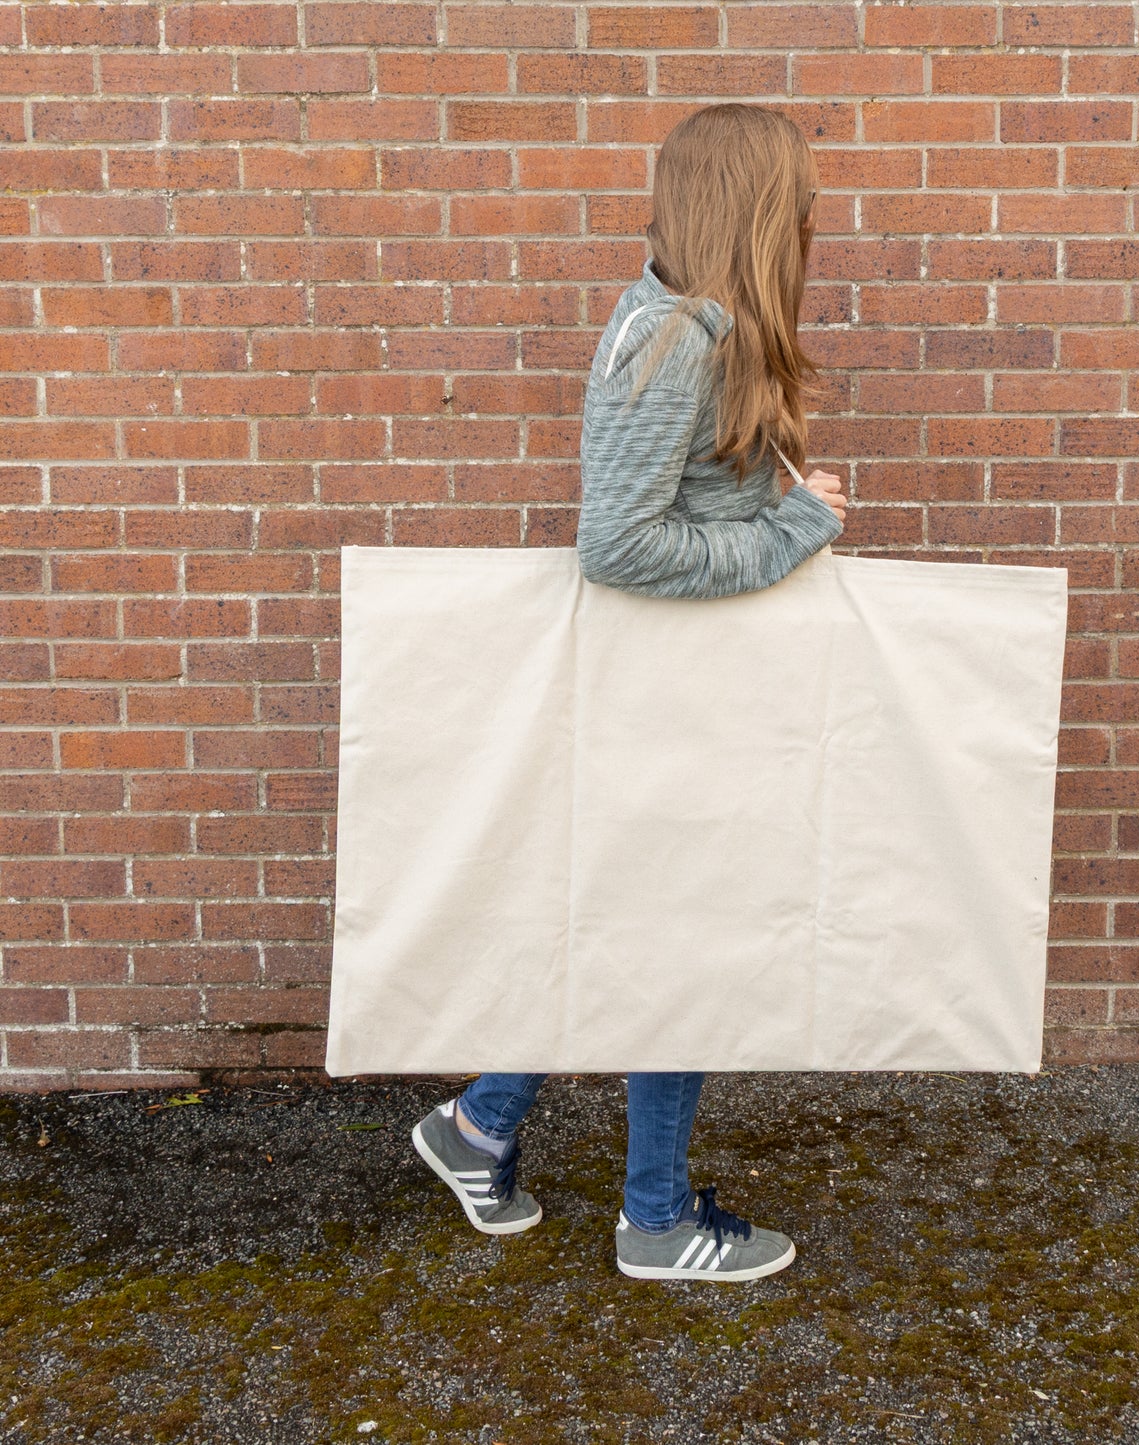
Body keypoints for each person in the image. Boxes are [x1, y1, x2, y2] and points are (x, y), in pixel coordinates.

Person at [410, 103, 848, 1282]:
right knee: (680, 946)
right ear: (761, 210)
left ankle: (479, 1123)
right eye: (800, 199)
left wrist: (762, 499)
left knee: (638, 933)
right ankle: (652, 1220)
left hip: (672, 695)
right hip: (674, 698)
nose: (815, 219)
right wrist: (792, 530)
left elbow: (667, 503)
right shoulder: (688, 336)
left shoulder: (668, 315)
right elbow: (616, 543)